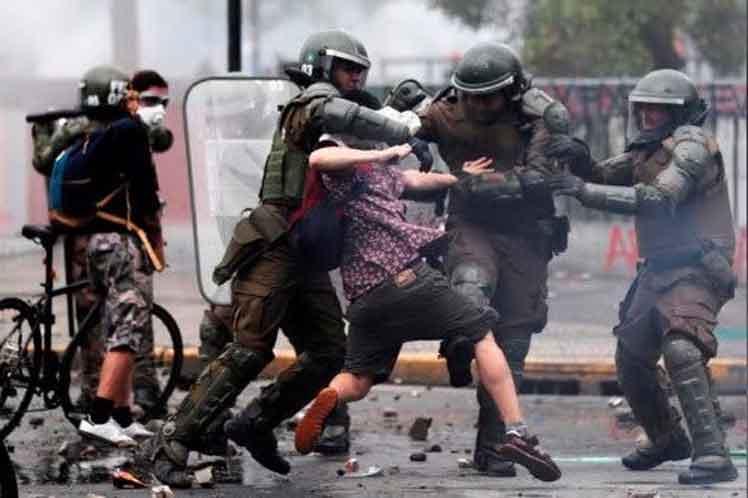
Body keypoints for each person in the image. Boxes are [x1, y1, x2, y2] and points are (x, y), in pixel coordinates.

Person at [143, 29, 431, 487]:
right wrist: (404, 128)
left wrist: (417, 117)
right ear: (322, 67)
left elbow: (369, 133)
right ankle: (171, 443)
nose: (355, 78)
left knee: (328, 351)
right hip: (275, 246)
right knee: (249, 351)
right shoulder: (309, 106)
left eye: (361, 71)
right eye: (346, 69)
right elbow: (339, 111)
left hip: (309, 255)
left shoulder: (347, 120)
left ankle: (256, 423)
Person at [293, 118, 561, 483]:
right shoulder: (346, 172)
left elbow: (416, 181)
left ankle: (325, 398)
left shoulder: (377, 176)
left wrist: (458, 176)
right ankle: (517, 432)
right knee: (483, 331)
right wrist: (385, 152)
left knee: (358, 378)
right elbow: (318, 159)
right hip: (407, 280)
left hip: (365, 299)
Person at [548, 69, 738, 485]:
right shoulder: (648, 150)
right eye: (646, 107)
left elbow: (658, 197)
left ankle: (712, 455)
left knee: (682, 348)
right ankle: (667, 438)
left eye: (660, 108)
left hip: (699, 265)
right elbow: (603, 172)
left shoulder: (692, 147)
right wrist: (577, 155)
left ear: (680, 112)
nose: (650, 114)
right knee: (632, 358)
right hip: (660, 266)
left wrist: (581, 190)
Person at [413, 42, 583, 476]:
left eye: (487, 96)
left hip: (526, 233)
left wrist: (469, 183)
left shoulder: (541, 116)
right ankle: (458, 340)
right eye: (469, 96)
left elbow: (541, 178)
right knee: (471, 286)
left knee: (513, 344)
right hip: (472, 225)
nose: (477, 105)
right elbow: (403, 131)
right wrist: (410, 141)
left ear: (511, 91)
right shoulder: (445, 111)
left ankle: (494, 448)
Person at [31, 69, 174, 421]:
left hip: (92, 233)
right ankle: (106, 402)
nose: (147, 106)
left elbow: (163, 138)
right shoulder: (113, 130)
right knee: (120, 318)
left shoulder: (97, 130)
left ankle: (118, 401)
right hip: (110, 232)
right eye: (138, 98)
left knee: (111, 316)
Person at [60, 65, 165, 446]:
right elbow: (144, 191)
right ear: (122, 96)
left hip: (92, 244)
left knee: (116, 322)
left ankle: (122, 416)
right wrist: (152, 214)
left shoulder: (90, 135)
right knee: (127, 329)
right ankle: (99, 415)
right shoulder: (130, 132)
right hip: (120, 242)